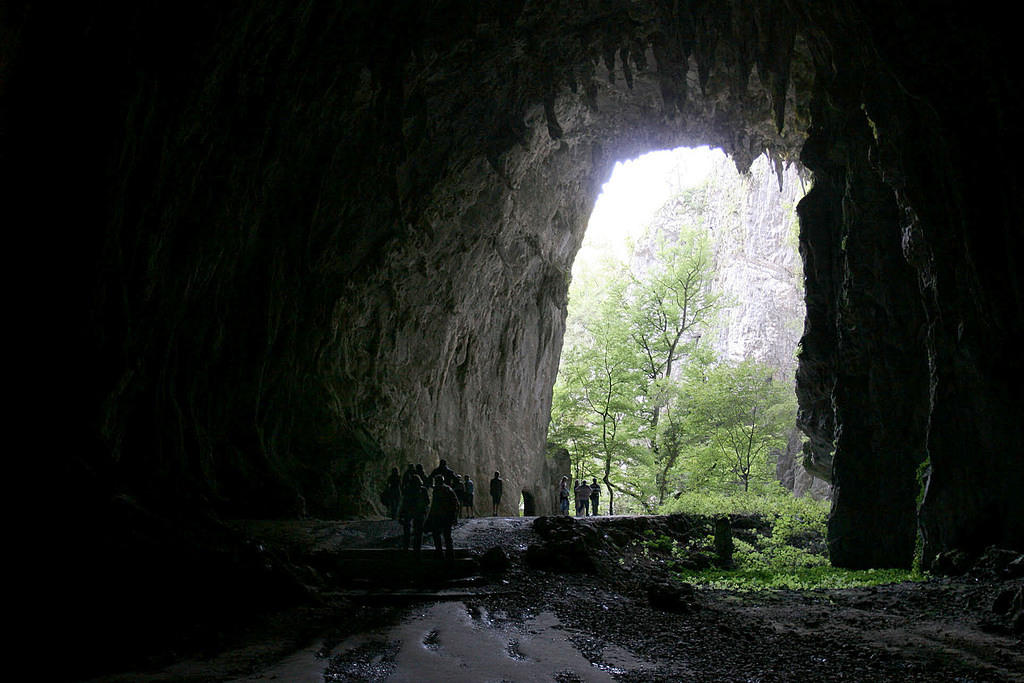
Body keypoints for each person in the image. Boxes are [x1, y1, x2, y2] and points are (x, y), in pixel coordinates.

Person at [426, 475, 460, 561]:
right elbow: (456, 504)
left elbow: (434, 506)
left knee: (437, 535)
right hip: (446, 517)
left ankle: (440, 553)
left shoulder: (437, 490)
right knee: (447, 536)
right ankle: (449, 555)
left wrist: (429, 518)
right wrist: (454, 516)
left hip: (439, 517)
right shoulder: (448, 490)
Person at [398, 474, 429, 555]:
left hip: (409, 512)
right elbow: (427, 502)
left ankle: (406, 549)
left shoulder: (408, 490)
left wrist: (401, 514)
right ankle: (417, 550)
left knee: (407, 532)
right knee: (418, 533)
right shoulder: (423, 490)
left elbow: (404, 502)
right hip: (419, 513)